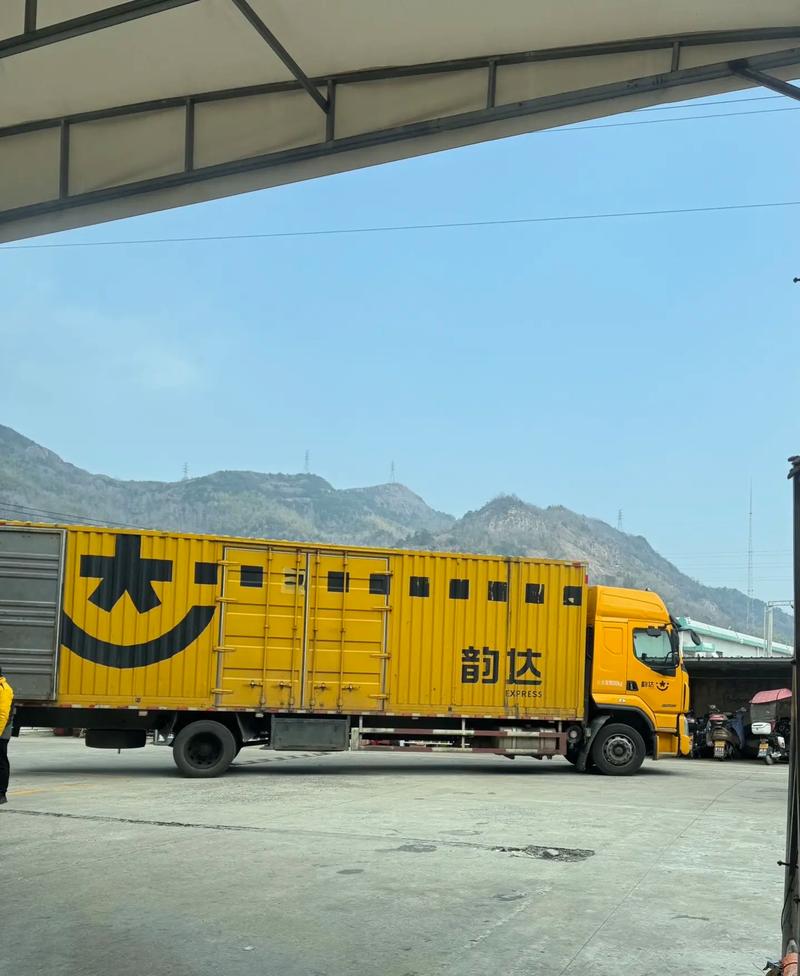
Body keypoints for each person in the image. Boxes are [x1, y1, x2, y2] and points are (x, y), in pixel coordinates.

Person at [0, 665, 13, 805]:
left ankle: (1, 793)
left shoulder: (4, 688)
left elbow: (3, 715)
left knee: (1, 761)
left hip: (2, 731)